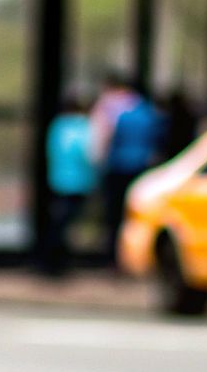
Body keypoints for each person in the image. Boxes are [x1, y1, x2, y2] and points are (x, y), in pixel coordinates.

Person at [90, 74, 165, 269]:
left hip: (118, 167)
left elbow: (105, 140)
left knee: (114, 215)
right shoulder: (148, 114)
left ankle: (114, 257)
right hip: (141, 168)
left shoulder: (118, 113)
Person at [46, 97, 96, 271]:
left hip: (58, 180)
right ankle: (58, 259)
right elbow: (88, 153)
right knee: (66, 222)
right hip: (79, 181)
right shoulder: (83, 127)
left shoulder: (58, 126)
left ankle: (55, 259)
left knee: (60, 220)